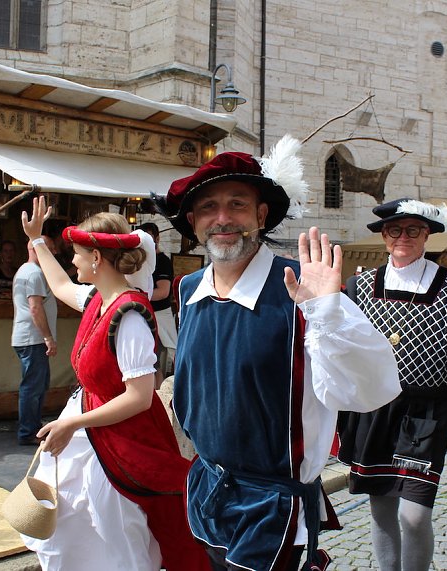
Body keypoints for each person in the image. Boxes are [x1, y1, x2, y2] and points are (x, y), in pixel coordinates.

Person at [154, 135, 400, 571]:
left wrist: (328, 311)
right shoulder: (188, 289)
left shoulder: (300, 289)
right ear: (193, 221)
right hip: (205, 488)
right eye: (209, 207)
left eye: (238, 204)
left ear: (261, 215)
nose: (223, 218)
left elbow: (371, 388)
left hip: (271, 506)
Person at [19, 199, 209, 570]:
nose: (72, 262)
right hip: (92, 425)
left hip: (121, 438)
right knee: (76, 525)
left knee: (111, 531)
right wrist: (37, 240)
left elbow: (139, 397)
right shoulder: (98, 298)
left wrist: (73, 423)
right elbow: (57, 286)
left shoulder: (129, 315)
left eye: (76, 254)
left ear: (95, 258)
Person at [337, 198, 447, 571]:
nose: (403, 237)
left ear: (428, 236)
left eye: (414, 230)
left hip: (426, 412)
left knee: (415, 516)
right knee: (381, 506)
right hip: (375, 410)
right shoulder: (359, 287)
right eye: (395, 230)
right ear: (384, 237)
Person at [11, 236, 58, 446]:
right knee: (32, 387)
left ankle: (33, 428)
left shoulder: (26, 270)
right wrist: (47, 336)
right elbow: (35, 308)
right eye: (50, 250)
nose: (54, 254)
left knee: (37, 385)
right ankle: (28, 431)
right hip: (33, 338)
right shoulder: (35, 274)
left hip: (30, 337)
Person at [138, 222, 177, 377]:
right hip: (143, 314)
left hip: (159, 315)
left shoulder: (163, 262)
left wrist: (137, 295)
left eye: (149, 238)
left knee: (164, 356)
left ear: (157, 238)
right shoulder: (141, 260)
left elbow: (163, 292)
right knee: (149, 362)